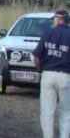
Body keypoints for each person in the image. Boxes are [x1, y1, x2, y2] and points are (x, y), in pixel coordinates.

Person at [32, 9, 70, 138]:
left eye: (54, 19)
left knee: (47, 112)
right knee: (65, 113)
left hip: (48, 74)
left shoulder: (48, 33)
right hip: (66, 76)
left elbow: (36, 57)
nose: (53, 21)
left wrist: (40, 69)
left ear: (59, 19)